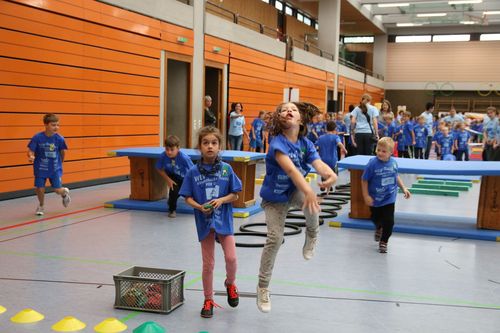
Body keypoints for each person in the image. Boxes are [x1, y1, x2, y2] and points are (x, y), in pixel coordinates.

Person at [256, 101, 337, 313]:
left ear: (300, 118)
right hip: (274, 198)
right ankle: (263, 287)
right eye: (283, 109)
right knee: (274, 239)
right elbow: (291, 170)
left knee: (312, 207)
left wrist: (330, 174)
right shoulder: (277, 144)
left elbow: (318, 164)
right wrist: (310, 191)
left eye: (293, 109)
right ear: (280, 119)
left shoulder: (306, 143)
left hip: (293, 190)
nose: (288, 111)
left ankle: (312, 233)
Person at [179, 126, 242, 318]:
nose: (210, 146)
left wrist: (222, 200)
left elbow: (235, 194)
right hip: (204, 222)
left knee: (231, 258)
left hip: (224, 220)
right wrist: (198, 207)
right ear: (200, 147)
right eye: (205, 143)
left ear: (219, 146)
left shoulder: (226, 169)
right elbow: (186, 197)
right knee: (208, 264)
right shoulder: (192, 172)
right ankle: (208, 300)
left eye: (214, 143)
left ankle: (230, 283)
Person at [361, 137, 411, 253]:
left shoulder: (393, 163)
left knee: (389, 222)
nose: (380, 153)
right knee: (375, 218)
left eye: (383, 151)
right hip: (375, 198)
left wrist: (403, 188)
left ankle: (384, 241)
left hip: (389, 198)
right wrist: (366, 196)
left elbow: (396, 176)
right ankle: (378, 227)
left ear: (390, 152)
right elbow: (364, 180)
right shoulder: (372, 164)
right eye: (378, 150)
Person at [27, 113, 71, 216]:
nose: (56, 127)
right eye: (53, 125)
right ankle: (41, 205)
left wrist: (60, 164)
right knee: (39, 188)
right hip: (40, 168)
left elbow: (62, 152)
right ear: (46, 125)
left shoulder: (59, 139)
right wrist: (31, 156)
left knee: (57, 190)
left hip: (55, 168)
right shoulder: (37, 137)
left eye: (57, 125)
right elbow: (30, 150)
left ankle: (64, 193)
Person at [155, 135, 194, 218]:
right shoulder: (163, 156)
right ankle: (172, 210)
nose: (169, 152)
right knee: (174, 190)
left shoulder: (184, 158)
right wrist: (168, 180)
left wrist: (191, 183)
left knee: (185, 193)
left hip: (185, 177)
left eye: (172, 150)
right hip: (172, 176)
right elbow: (159, 168)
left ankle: (172, 200)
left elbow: (193, 171)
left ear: (178, 148)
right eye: (167, 149)